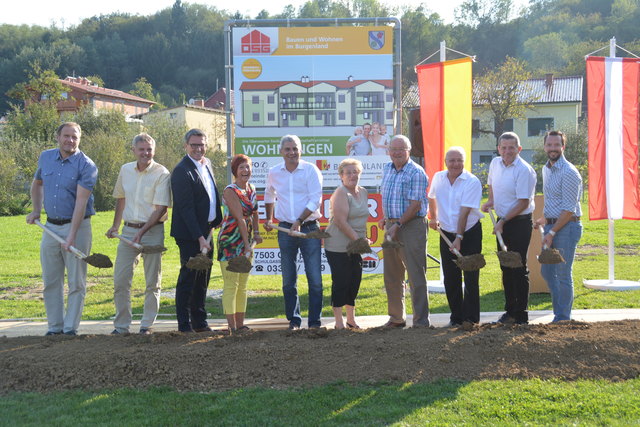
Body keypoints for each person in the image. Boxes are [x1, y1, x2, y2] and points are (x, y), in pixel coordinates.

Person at [26, 122, 98, 336]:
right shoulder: (46, 157)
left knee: (76, 281)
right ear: (58, 137)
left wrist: (72, 236)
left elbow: (81, 203)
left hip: (78, 226)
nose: (70, 140)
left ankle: (70, 329)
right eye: (66, 136)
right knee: (51, 280)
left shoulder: (87, 166)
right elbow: (37, 183)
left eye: (74, 137)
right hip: (51, 226)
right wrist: (36, 210)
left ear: (79, 139)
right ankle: (54, 327)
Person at [106, 133, 171, 335]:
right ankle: (121, 326)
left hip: (152, 232)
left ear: (154, 150)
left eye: (149, 149)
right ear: (133, 150)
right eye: (141, 149)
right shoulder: (125, 170)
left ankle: (146, 325)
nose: (146, 153)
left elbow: (160, 208)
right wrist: (115, 226)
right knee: (121, 281)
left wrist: (141, 232)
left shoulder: (162, 173)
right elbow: (121, 198)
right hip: (127, 232)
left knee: (153, 281)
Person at [264, 134, 323, 329]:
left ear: (301, 150)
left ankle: (314, 322)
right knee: (289, 279)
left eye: (295, 148)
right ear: (281, 152)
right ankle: (294, 320)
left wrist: (299, 221)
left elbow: (316, 200)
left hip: (309, 229)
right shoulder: (274, 172)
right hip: (285, 230)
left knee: (314, 278)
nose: (292, 152)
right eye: (288, 149)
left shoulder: (311, 170)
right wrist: (269, 218)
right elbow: (269, 194)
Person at [481, 131, 536, 324]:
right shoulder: (495, 163)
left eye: (511, 148)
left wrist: (502, 221)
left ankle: (521, 315)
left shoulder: (524, 170)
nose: (507, 151)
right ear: (499, 149)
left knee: (518, 268)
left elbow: (522, 203)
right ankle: (509, 311)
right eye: (503, 148)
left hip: (519, 223)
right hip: (502, 221)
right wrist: (490, 201)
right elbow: (492, 185)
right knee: (506, 266)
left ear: (518, 149)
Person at [170, 129, 222, 333]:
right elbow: (186, 209)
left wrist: (215, 220)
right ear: (186, 146)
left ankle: (199, 321)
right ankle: (184, 324)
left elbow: (210, 195)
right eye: (194, 145)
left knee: (203, 277)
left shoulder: (206, 164)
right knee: (188, 278)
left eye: (201, 144)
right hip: (190, 235)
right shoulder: (182, 171)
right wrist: (199, 238)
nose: (198, 148)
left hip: (207, 231)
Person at [378, 135, 430, 328]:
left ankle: (421, 321)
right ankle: (396, 318)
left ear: (409, 151)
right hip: (391, 225)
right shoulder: (387, 169)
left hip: (411, 226)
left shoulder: (416, 172)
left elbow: (415, 205)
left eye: (402, 149)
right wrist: (386, 217)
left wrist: (398, 224)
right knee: (392, 275)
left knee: (416, 274)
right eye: (394, 149)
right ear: (389, 151)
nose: (397, 152)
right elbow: (388, 196)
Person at [428, 147, 483, 326]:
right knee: (451, 278)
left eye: (459, 160)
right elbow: (431, 196)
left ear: (464, 161)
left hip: (470, 233)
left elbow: (464, 212)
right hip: (446, 233)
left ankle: (471, 319)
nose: (455, 164)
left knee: (470, 276)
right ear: (446, 161)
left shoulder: (472, 181)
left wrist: (459, 237)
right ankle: (456, 317)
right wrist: (434, 217)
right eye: (452, 160)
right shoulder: (438, 177)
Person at [535, 130, 583, 322]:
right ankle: (559, 313)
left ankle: (562, 317)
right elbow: (553, 201)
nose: (553, 148)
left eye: (557, 145)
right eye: (549, 145)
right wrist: (544, 219)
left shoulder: (569, 172)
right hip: (552, 226)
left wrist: (552, 232)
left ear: (563, 147)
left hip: (567, 228)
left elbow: (569, 209)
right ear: (545, 146)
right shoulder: (547, 169)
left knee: (563, 273)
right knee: (547, 271)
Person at [217, 154, 262, 332]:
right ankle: (231, 327)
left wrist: (256, 234)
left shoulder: (251, 189)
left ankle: (241, 325)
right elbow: (240, 219)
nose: (245, 170)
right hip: (230, 242)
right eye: (241, 167)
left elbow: (255, 213)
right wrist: (245, 244)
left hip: (247, 241)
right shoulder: (230, 190)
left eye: (248, 167)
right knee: (231, 284)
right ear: (235, 170)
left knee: (243, 285)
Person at [324, 158, 369, 329]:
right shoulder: (341, 193)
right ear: (341, 176)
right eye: (348, 172)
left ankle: (351, 319)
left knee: (354, 281)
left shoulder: (363, 192)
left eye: (355, 172)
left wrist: (363, 239)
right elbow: (341, 222)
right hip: (338, 245)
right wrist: (359, 241)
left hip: (355, 245)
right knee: (341, 281)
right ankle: (338, 322)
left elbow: (360, 221)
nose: (352, 175)